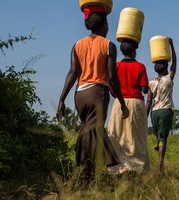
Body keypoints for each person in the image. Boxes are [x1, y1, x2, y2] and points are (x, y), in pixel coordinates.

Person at [57, 6, 129, 185]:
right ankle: (86, 178)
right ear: (104, 25)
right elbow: (112, 78)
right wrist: (122, 102)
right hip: (97, 93)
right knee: (94, 131)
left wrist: (61, 99)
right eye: (107, 24)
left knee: (88, 131)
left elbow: (73, 72)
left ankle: (89, 175)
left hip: (80, 95)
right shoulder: (108, 45)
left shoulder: (77, 45)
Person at [107, 39, 150, 175]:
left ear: (122, 51)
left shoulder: (116, 66)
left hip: (119, 103)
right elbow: (144, 89)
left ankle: (117, 169)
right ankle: (137, 169)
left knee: (117, 134)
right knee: (137, 136)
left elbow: (111, 87)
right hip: (136, 103)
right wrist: (146, 87)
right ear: (134, 51)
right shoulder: (140, 66)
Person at [146, 38, 176, 173]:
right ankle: (160, 163)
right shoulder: (168, 79)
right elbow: (175, 63)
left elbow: (148, 101)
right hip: (165, 111)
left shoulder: (151, 83)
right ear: (166, 67)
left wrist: (145, 116)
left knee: (158, 136)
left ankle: (159, 155)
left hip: (154, 112)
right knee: (163, 137)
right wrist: (171, 46)